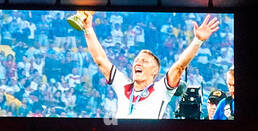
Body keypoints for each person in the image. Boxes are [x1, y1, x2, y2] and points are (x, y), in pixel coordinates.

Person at [79, 12, 222, 120]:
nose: (138, 62)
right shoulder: (122, 85)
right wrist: (88, 29)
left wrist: (197, 40)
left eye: (145, 61)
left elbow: (179, 66)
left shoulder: (161, 89)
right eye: (136, 60)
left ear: (155, 71)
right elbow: (100, 60)